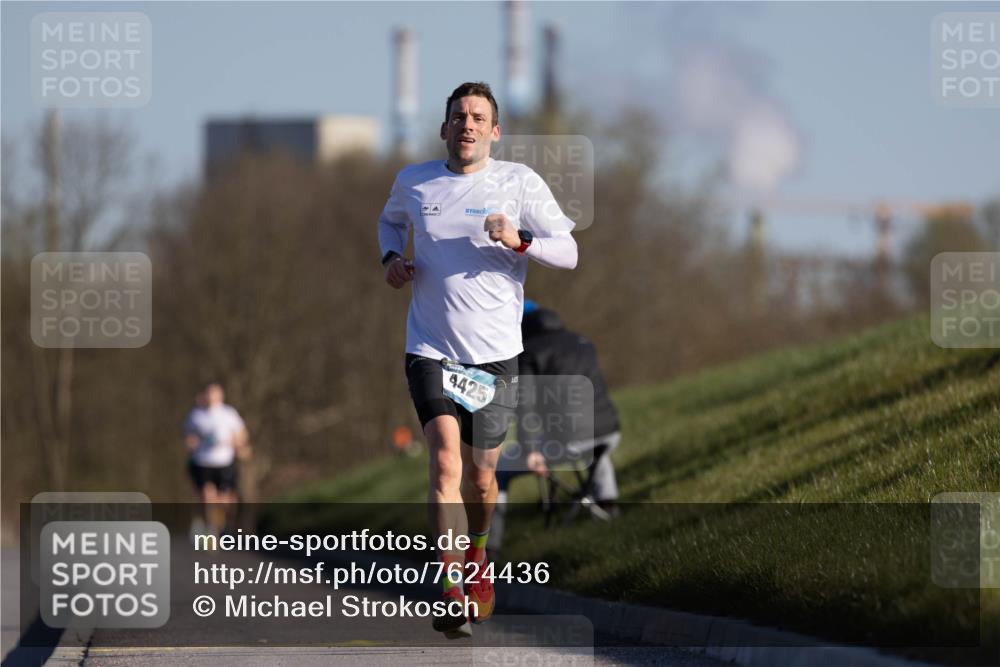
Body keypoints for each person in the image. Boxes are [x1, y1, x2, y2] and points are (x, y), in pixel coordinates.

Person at [378, 81, 577, 638]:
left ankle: (477, 558)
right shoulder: (414, 182)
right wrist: (392, 258)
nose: (467, 124)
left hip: (493, 358)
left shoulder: (518, 183)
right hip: (431, 349)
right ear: (444, 128)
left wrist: (520, 241)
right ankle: (447, 586)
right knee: (445, 464)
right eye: (458, 115)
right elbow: (389, 222)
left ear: (495, 131)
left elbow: (569, 250)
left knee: (482, 481)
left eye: (478, 116)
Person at [491, 301, 622, 549]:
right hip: (610, 433)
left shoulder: (528, 353)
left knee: (498, 470)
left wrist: (530, 452)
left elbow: (525, 407)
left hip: (569, 441)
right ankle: (607, 507)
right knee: (596, 448)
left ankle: (489, 547)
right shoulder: (582, 343)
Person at [183, 382, 251, 536]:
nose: (211, 397)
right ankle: (209, 527)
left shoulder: (229, 413)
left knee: (224, 500)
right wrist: (191, 443)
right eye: (209, 393)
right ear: (205, 395)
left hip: (224, 461)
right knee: (208, 495)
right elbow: (188, 437)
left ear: (221, 396)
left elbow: (241, 434)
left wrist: (238, 445)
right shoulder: (196, 415)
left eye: (215, 393)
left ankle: (222, 523)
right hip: (203, 461)